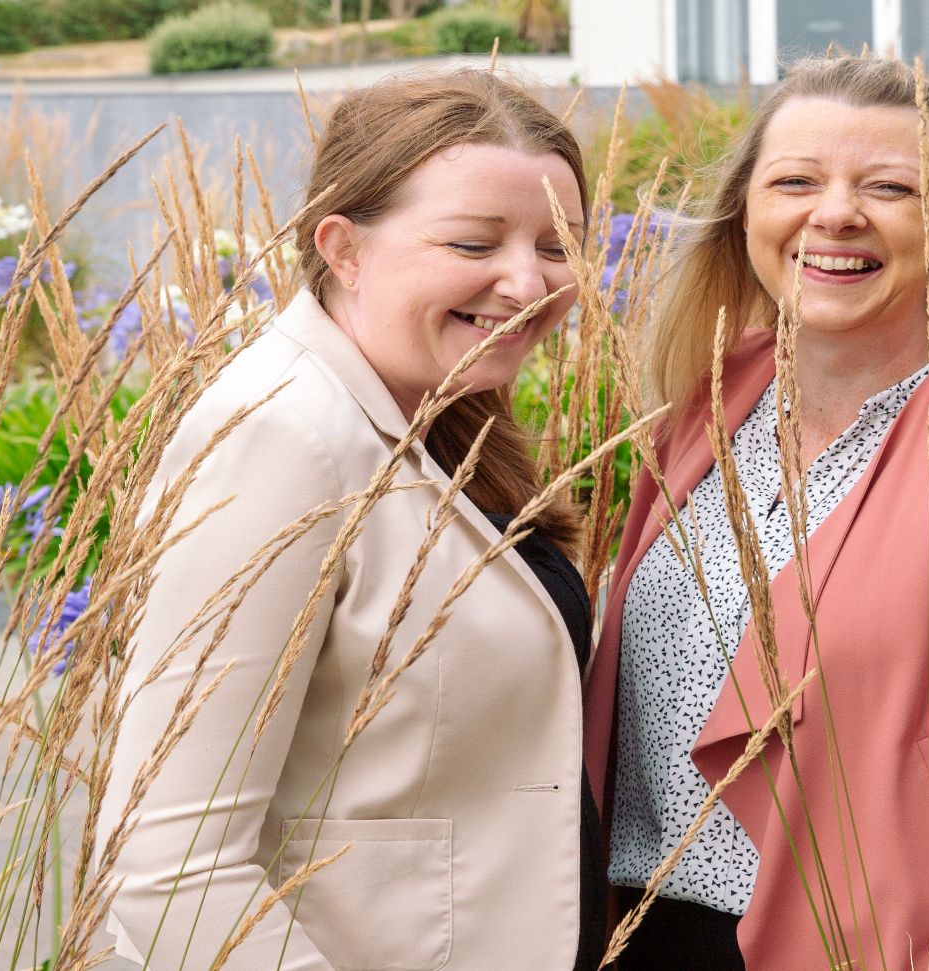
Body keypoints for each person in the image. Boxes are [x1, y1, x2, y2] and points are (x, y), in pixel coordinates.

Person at [584, 55, 929, 970]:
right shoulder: (712, 396)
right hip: (637, 937)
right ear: (746, 212)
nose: (833, 213)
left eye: (887, 187)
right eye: (795, 181)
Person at [99, 69, 605, 970]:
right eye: (471, 241)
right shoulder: (283, 435)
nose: (527, 280)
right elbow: (166, 866)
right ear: (344, 248)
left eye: (558, 243)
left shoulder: (440, 410)